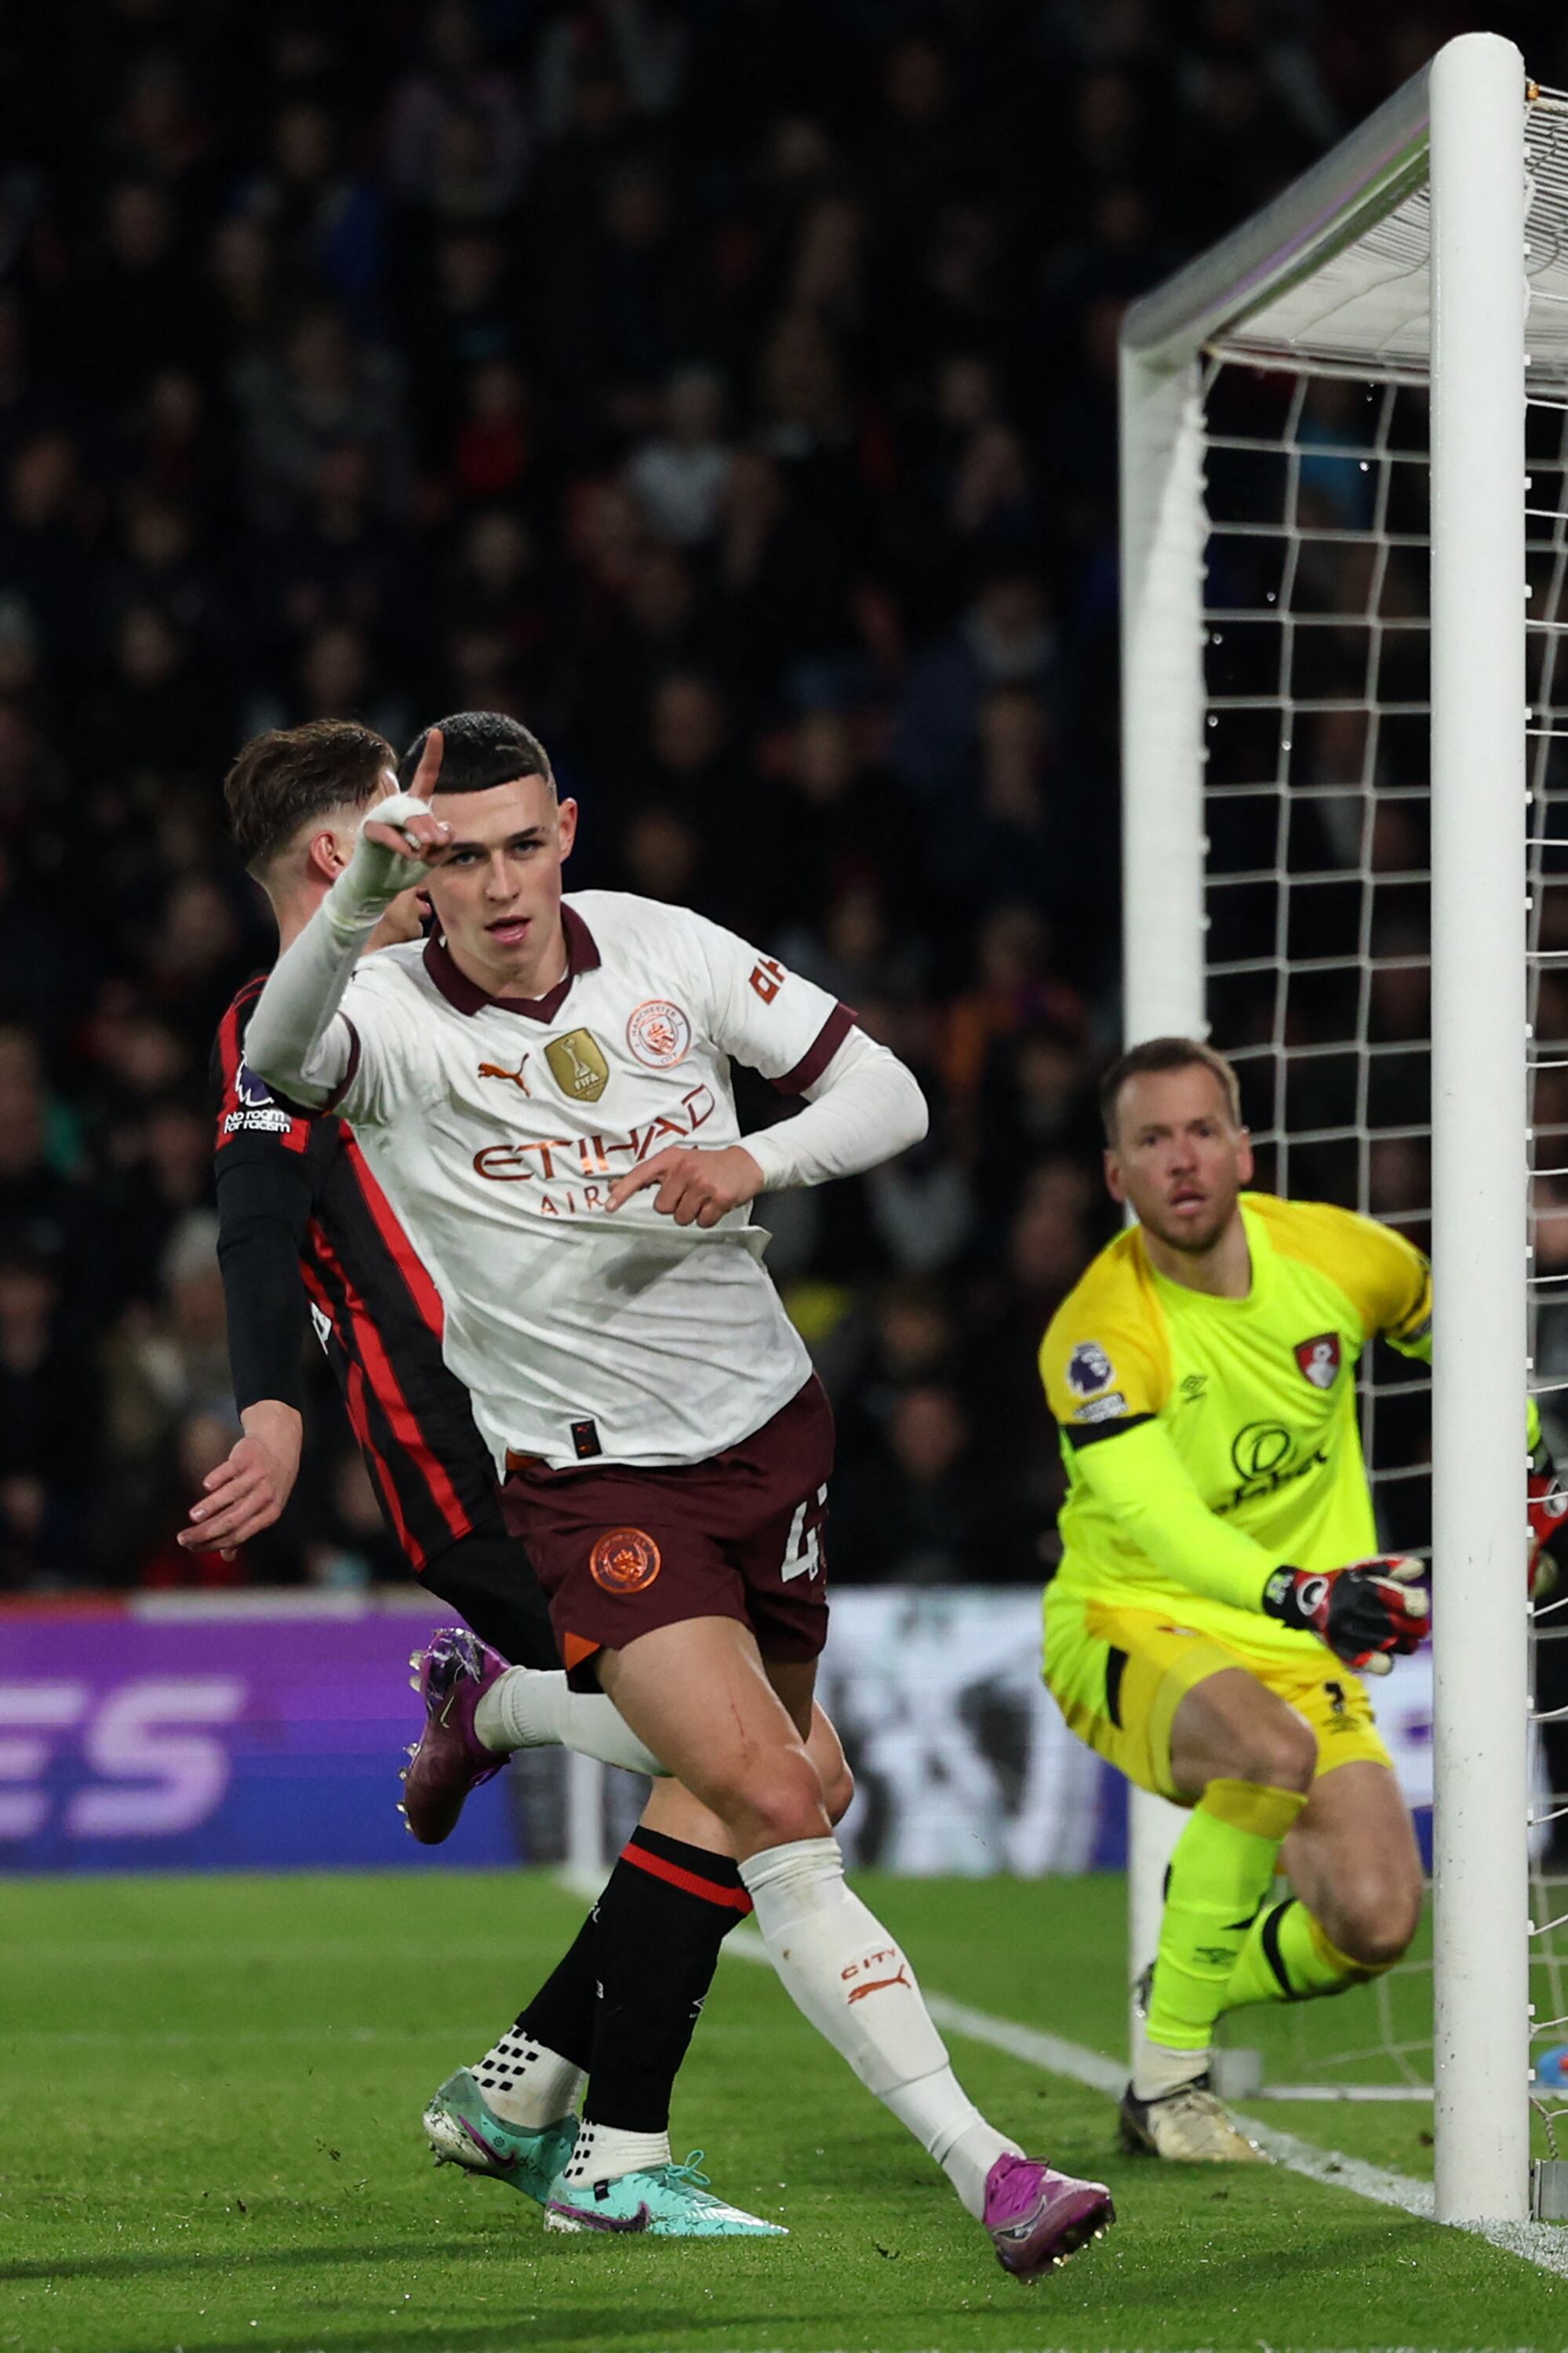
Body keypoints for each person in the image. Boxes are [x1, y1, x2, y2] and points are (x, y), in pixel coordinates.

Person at [240, 706, 1115, 2276]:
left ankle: (577, 2082)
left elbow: (894, 1098)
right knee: (781, 1797)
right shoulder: (384, 1014)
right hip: (591, 1482)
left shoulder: (661, 950)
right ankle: (987, 2166)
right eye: (464, 858)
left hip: (772, 1440)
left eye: (526, 845)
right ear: (418, 869)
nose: (502, 890)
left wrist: (755, 1164)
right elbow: (273, 1058)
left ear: (567, 831)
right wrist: (361, 902)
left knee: (760, 1788)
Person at [182, 717, 854, 2238]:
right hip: (474, 1464)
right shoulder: (284, 1025)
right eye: (405, 824)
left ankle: (524, 2083)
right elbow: (251, 1204)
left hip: (603, 1435)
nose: (441, 852)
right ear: (328, 856)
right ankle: (606, 2142)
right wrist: (270, 1411)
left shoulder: (456, 990)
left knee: (784, 1772)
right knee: (771, 1773)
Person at [1038, 1035, 1445, 2159]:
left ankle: (1189, 1965)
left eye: (1202, 1131)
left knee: (1373, 1924)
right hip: (1128, 1623)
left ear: (1244, 1149)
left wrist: (1530, 1478)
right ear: (1117, 1177)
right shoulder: (1098, 1336)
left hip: (1297, 1633)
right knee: (1267, 1753)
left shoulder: (1344, 1258)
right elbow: (1165, 1519)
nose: (1183, 1160)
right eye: (1152, 1140)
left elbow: (1460, 1340)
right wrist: (1301, 1589)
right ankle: (1168, 2085)